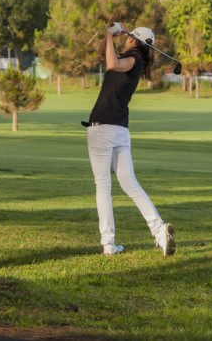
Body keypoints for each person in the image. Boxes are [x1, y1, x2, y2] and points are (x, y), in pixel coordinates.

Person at [83, 22, 175, 257]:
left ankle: (108, 243)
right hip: (120, 130)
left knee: (103, 186)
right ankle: (159, 231)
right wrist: (109, 34)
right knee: (130, 183)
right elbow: (102, 53)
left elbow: (111, 62)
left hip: (103, 126)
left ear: (133, 40)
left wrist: (111, 34)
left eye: (128, 37)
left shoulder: (132, 58)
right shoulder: (137, 59)